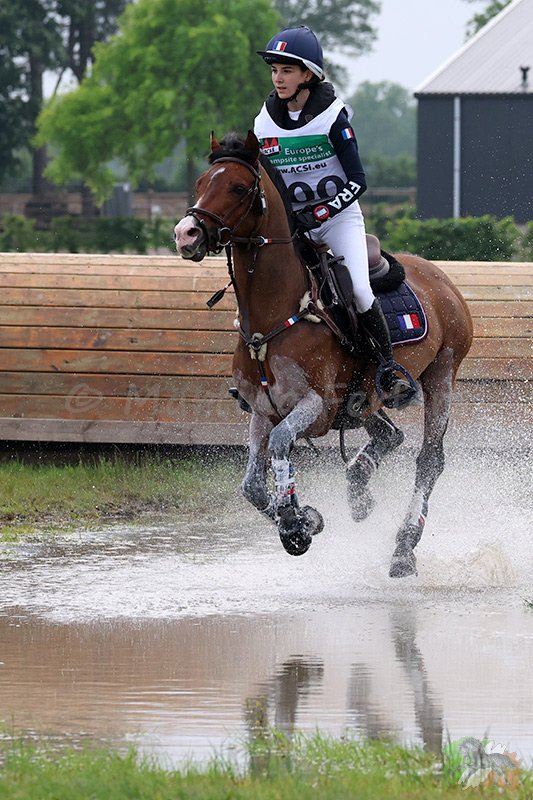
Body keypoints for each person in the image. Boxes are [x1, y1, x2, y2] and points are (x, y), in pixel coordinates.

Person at [254, 25, 413, 407]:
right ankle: (254, 373)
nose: (278, 77)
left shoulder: (332, 117)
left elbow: (358, 181)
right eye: (275, 69)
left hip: (337, 220)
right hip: (293, 227)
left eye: (287, 70)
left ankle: (388, 369)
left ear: (308, 74)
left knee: (357, 290)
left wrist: (321, 212)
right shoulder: (264, 122)